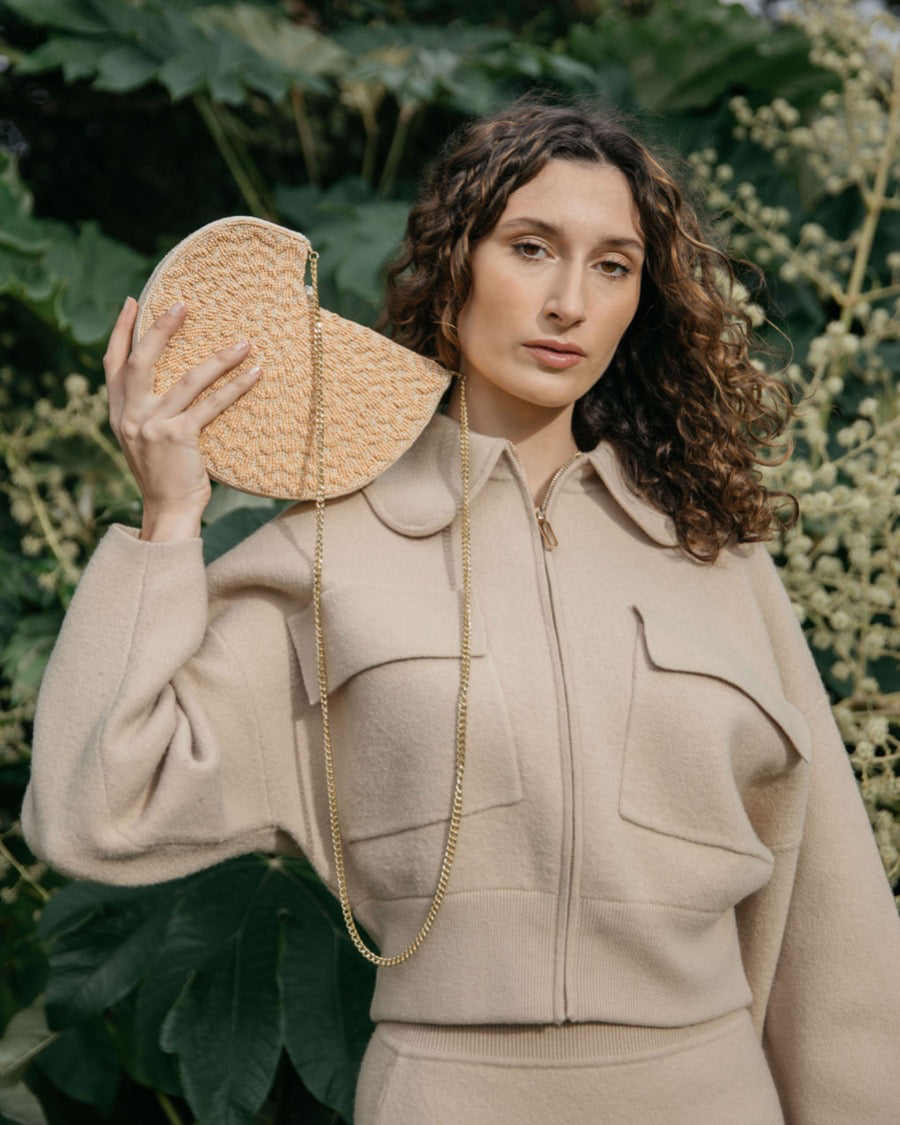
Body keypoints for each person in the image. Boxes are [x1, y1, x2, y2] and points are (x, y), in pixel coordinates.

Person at [21, 99, 900, 1124]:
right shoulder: (325, 553)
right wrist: (167, 522)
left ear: (641, 301)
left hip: (707, 1088)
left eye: (612, 265)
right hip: (445, 1092)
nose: (569, 301)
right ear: (456, 266)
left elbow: (825, 915)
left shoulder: (714, 556)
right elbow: (96, 812)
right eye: (532, 248)